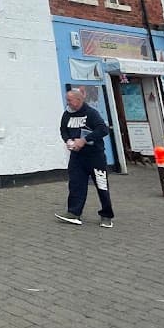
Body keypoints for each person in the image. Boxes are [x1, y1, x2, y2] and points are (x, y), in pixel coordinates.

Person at [56, 89, 115, 227]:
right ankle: (74, 213)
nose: (67, 102)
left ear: (78, 100)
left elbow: (103, 130)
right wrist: (68, 141)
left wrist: (84, 140)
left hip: (95, 156)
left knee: (101, 186)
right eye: (67, 100)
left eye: (70, 100)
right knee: (76, 185)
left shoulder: (91, 113)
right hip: (77, 157)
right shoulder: (67, 114)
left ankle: (106, 216)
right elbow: (63, 129)